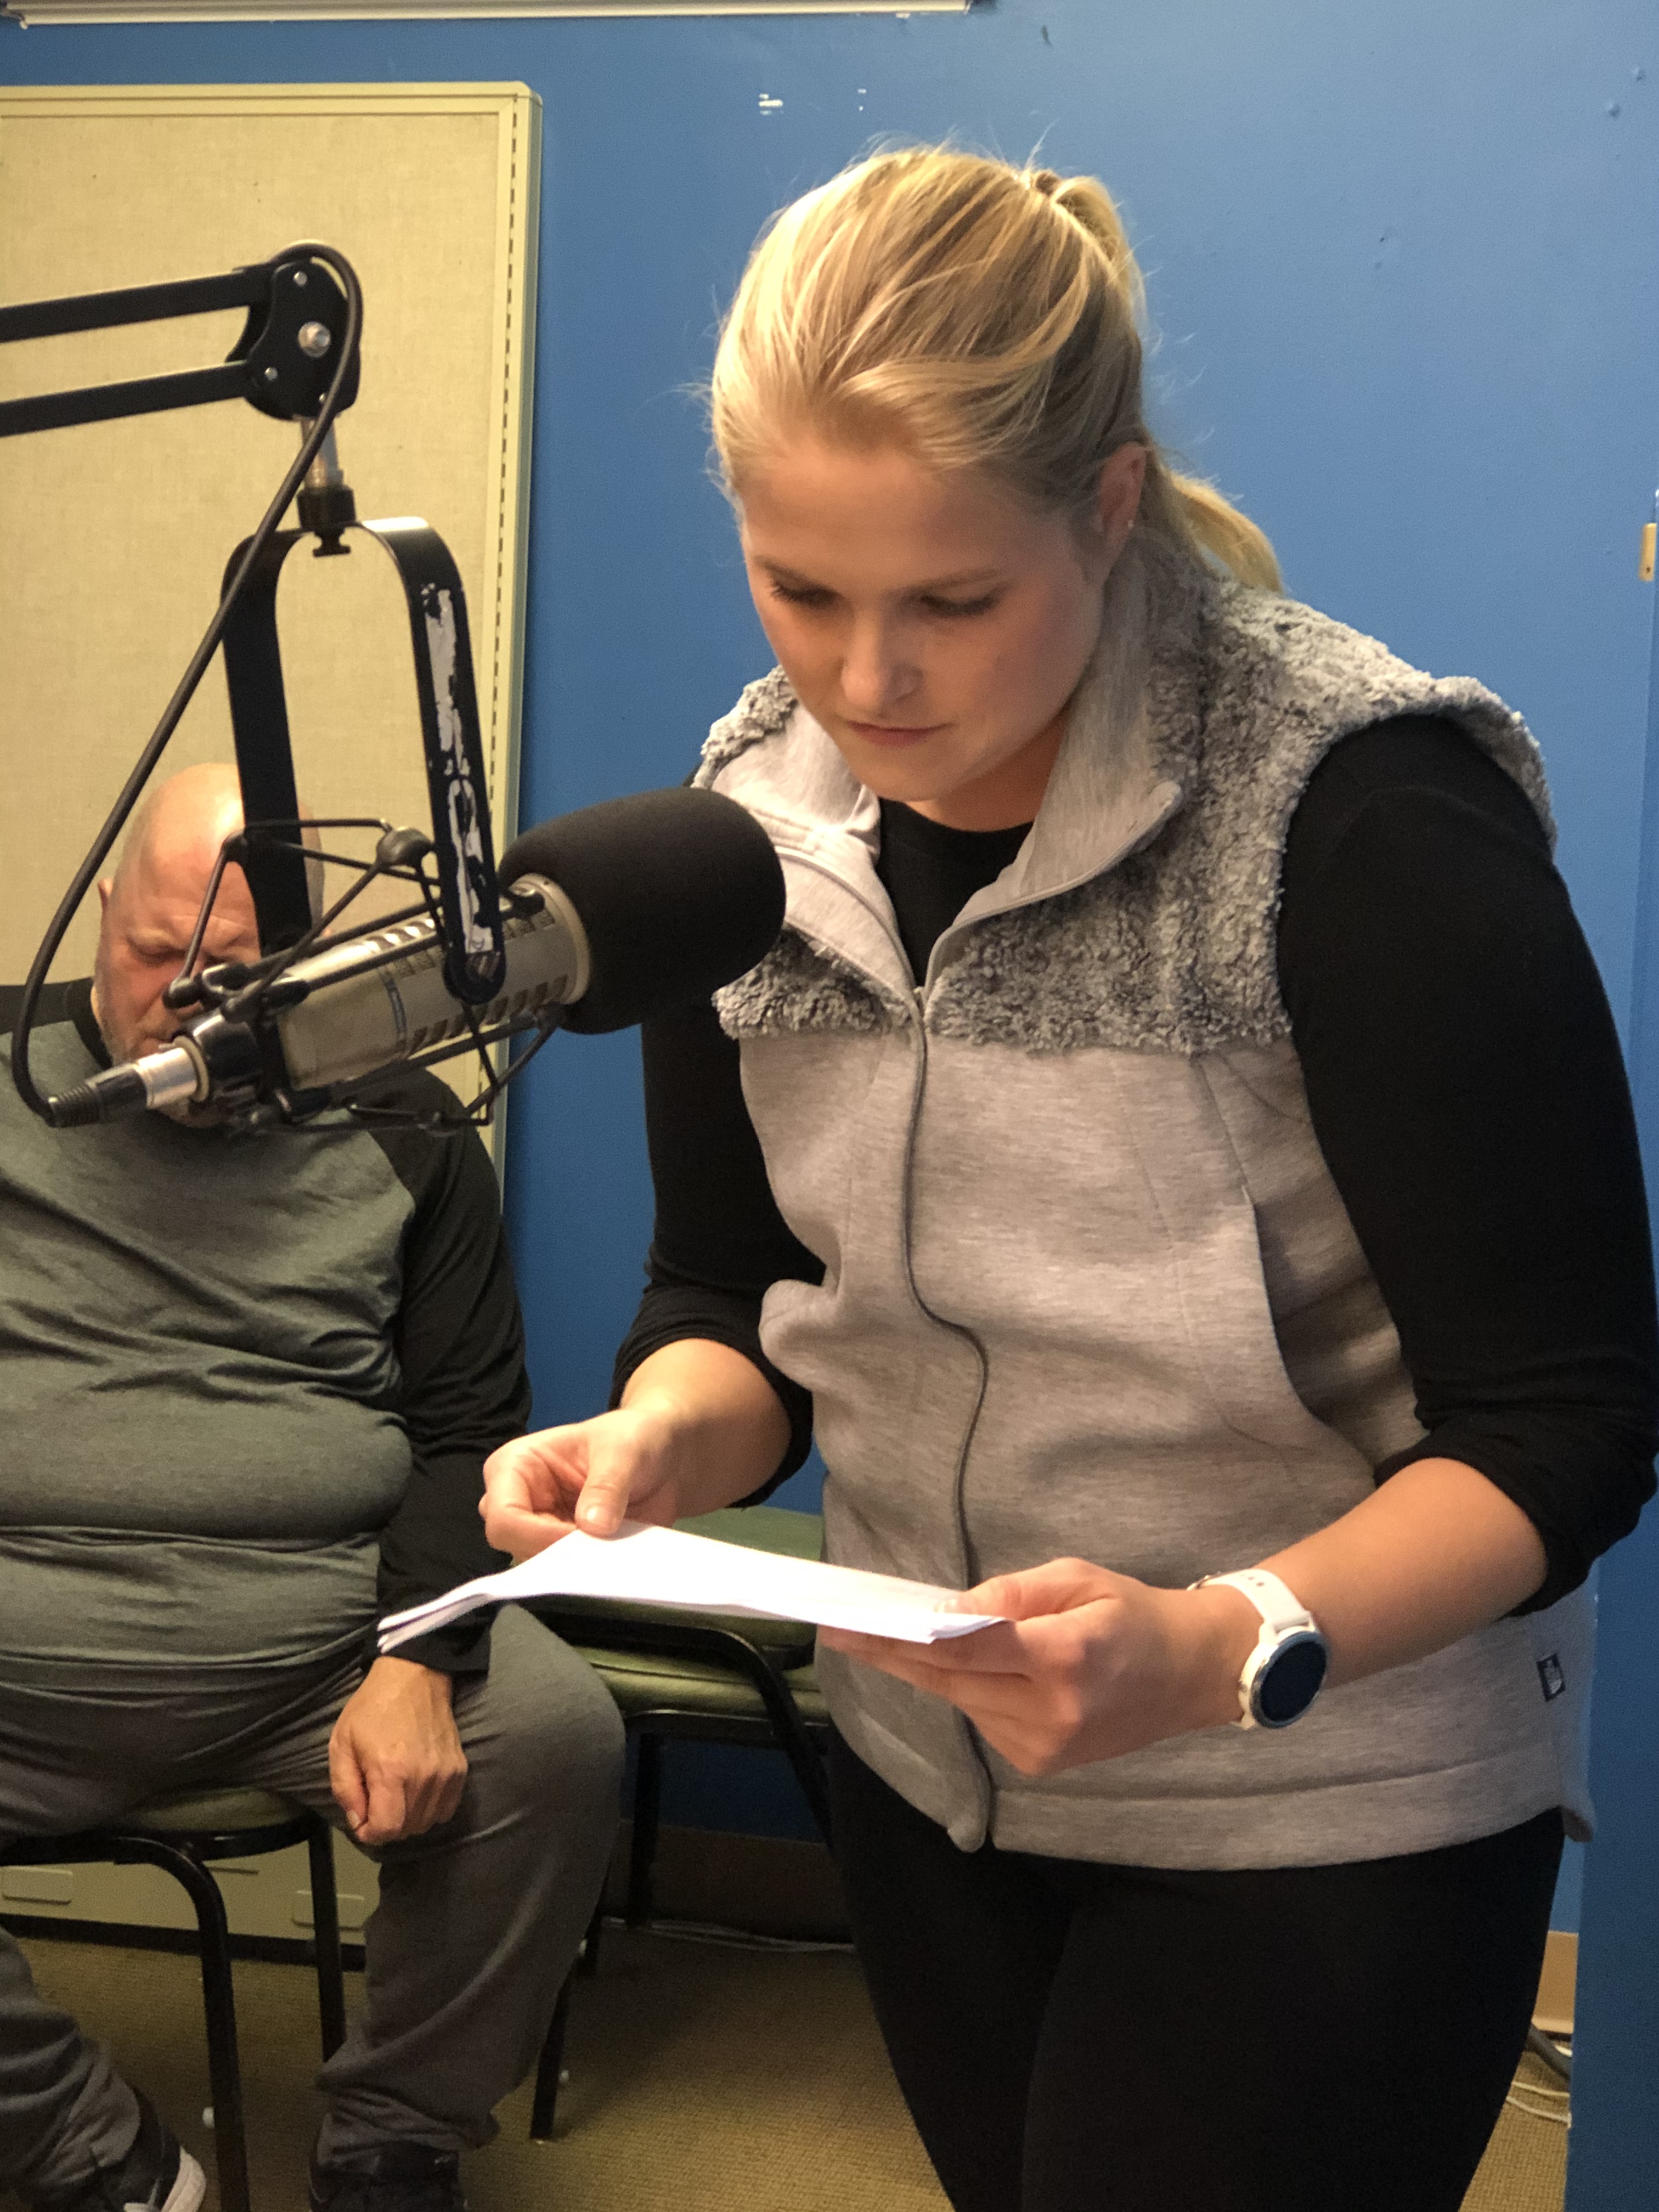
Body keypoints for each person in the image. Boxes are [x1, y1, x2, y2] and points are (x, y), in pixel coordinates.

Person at [481, 149, 1658, 2212]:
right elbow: (733, 1295)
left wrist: (1213, 1643)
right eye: (800, 588)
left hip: (1322, 1795)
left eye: (953, 601)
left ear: (1109, 506)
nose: (869, 679)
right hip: (932, 1772)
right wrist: (661, 1437)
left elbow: (1572, 1426)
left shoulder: (1358, 819)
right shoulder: (746, 826)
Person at [0, 765, 624, 2212]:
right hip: (24, 1641)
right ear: (101, 910)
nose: (184, 1010)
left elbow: (471, 1427)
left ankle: (392, 2137)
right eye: (155, 957)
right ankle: (92, 2158)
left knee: (554, 1739)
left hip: (312, 1638)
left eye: (235, 980)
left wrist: (419, 1658)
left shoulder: (408, 1126)